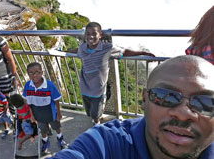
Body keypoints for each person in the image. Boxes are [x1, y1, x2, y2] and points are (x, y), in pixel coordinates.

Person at [46, 55, 214, 159]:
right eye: (165, 96)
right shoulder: (106, 143)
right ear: (144, 100)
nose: (184, 114)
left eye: (206, 103)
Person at [69, 22, 155, 125]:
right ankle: (95, 118)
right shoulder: (82, 48)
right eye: (88, 34)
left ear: (100, 35)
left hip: (98, 90)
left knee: (95, 114)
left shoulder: (107, 48)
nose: (90, 36)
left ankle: (96, 124)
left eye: (94, 33)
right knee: (89, 113)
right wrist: (62, 51)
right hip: (84, 88)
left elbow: (125, 52)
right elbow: (75, 51)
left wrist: (143, 53)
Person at [23, 62, 67, 153]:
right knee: (43, 129)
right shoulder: (27, 86)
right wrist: (32, 115)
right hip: (37, 112)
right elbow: (28, 102)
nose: (34, 75)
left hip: (50, 111)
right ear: (28, 74)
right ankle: (45, 141)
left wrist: (58, 113)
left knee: (56, 126)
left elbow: (56, 100)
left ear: (42, 72)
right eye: (31, 73)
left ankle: (60, 139)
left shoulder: (49, 85)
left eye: (37, 72)